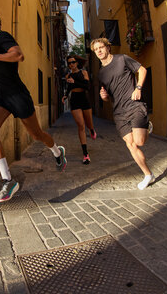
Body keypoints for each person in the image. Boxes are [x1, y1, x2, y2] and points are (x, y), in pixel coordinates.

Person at [0, 12, 67, 202]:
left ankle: (58, 152)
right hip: (1, 97)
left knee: (37, 135)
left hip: (18, 96)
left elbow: (19, 55)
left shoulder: (2, 36)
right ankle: (8, 180)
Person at [91, 37, 154, 190]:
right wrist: (104, 97)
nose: (99, 51)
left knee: (139, 142)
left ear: (108, 48)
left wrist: (138, 88)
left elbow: (142, 70)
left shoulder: (122, 59)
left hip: (134, 105)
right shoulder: (101, 74)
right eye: (96, 49)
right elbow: (109, 95)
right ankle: (148, 175)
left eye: (101, 47)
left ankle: (146, 124)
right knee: (130, 144)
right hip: (119, 112)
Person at [61, 55, 97, 164]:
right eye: (69, 63)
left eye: (73, 62)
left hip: (84, 99)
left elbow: (87, 86)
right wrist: (65, 95)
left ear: (77, 63)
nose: (71, 64)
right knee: (81, 126)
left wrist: (74, 82)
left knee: (89, 124)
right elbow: (69, 88)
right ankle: (85, 154)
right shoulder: (68, 75)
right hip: (75, 100)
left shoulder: (84, 73)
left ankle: (91, 129)